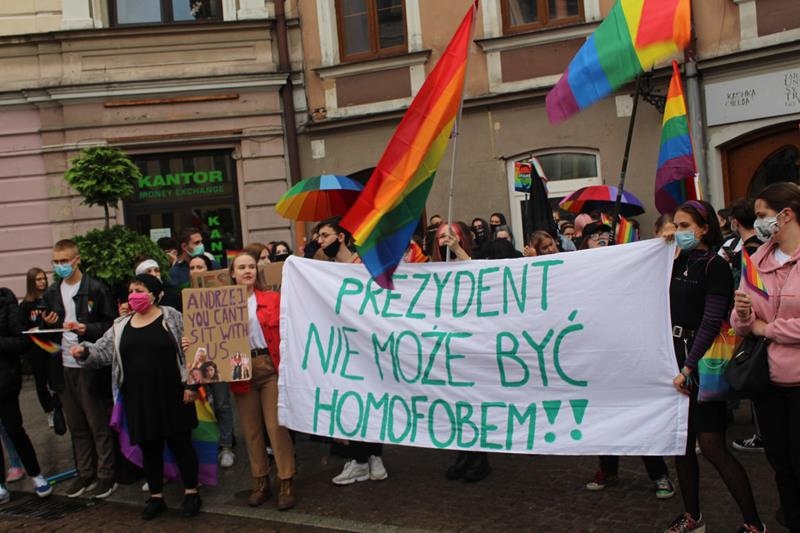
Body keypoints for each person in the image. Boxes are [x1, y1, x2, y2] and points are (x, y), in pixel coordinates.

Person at [664, 200, 764, 533]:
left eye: (684, 226)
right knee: (681, 445)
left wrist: (688, 368)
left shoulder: (715, 266)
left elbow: (710, 322)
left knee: (711, 445)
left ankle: (753, 523)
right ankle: (692, 517)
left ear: (704, 229)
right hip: (674, 357)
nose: (678, 232)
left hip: (700, 364)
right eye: (675, 225)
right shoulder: (676, 262)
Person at [70, 274, 201, 521]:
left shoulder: (172, 317)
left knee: (182, 445)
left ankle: (191, 493)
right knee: (149, 449)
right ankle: (156, 496)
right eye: (131, 291)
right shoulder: (121, 325)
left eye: (139, 290)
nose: (134, 295)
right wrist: (84, 351)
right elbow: (102, 351)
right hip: (139, 398)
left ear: (155, 294)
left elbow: (194, 349)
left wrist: (192, 384)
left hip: (173, 394)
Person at [731, 182, 800, 532]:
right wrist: (744, 315)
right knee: (781, 466)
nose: (757, 222)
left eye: (762, 215)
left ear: (785, 215)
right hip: (767, 381)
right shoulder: (755, 262)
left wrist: (766, 329)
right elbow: (741, 323)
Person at [41, 239, 117, 499]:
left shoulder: (95, 288)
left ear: (77, 260)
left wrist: (88, 329)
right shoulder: (52, 293)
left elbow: (111, 325)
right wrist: (47, 323)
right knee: (76, 425)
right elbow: (47, 335)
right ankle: (85, 473)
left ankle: (106, 475)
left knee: (97, 423)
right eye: (56, 261)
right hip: (62, 365)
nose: (60, 266)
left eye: (64, 261)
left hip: (88, 363)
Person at [316, 218, 388, 485]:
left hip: (369, 344)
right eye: (318, 237)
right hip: (343, 347)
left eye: (325, 235)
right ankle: (360, 459)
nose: (320, 241)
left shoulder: (365, 265)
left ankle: (373, 456)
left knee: (373, 399)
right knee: (352, 401)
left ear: (341, 237)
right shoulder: (325, 272)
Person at [226, 251, 296, 510]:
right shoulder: (221, 305)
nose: (248, 271)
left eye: (251, 267)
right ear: (232, 274)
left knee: (276, 426)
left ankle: (286, 480)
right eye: (242, 267)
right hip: (240, 369)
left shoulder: (272, 299)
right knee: (251, 430)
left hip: (269, 366)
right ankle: (260, 481)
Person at [432, 222, 491, 481]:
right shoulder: (431, 271)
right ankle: (462, 453)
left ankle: (480, 458)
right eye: (441, 236)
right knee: (454, 404)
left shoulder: (472, 262)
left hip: (471, 347)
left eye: (451, 235)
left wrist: (459, 252)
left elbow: (481, 279)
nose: (446, 240)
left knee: (473, 403)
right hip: (447, 349)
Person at [720, 198, 766, 453]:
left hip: (751, 319)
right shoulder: (758, 246)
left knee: (752, 370)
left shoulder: (751, 250)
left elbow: (745, 289)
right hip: (748, 318)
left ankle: (762, 434)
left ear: (735, 221)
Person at [0, 286, 53, 504]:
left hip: (5, 381)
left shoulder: (6, 305)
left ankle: (36, 474)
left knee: (14, 429)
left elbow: (22, 341)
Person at [183, 254, 236, 468]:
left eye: (200, 267)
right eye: (192, 267)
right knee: (202, 404)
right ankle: (208, 445)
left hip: (219, 357)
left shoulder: (222, 294)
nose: (196, 271)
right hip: (195, 360)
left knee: (222, 403)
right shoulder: (183, 296)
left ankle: (226, 446)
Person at [18, 268, 58, 427]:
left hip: (52, 345)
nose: (42, 282)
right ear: (31, 282)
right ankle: (49, 411)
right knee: (41, 383)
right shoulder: (25, 305)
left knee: (56, 379)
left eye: (44, 278)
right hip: (36, 348)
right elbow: (22, 328)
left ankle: (59, 408)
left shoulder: (51, 299)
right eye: (38, 279)